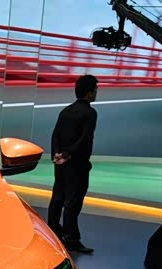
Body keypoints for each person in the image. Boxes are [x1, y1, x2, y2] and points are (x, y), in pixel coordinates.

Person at [49, 74, 99, 254]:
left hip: (60, 163)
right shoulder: (90, 113)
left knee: (57, 198)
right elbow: (84, 139)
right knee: (73, 202)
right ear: (89, 93)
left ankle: (53, 232)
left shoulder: (66, 111)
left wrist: (57, 154)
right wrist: (68, 154)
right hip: (77, 164)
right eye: (95, 90)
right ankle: (71, 239)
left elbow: (55, 134)